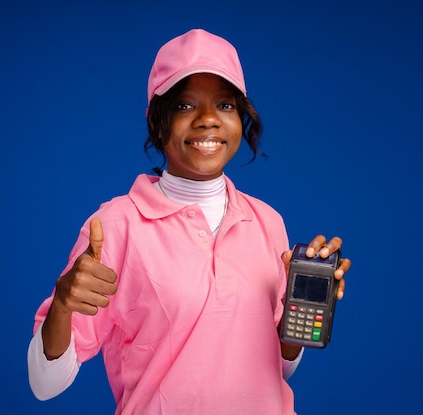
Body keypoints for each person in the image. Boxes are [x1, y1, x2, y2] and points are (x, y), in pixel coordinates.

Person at [27, 28, 352, 415]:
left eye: (225, 105)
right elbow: (44, 385)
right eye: (184, 106)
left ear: (241, 119)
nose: (208, 121)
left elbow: (279, 367)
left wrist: (298, 308)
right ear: (157, 121)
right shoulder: (115, 226)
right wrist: (63, 305)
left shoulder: (267, 222)